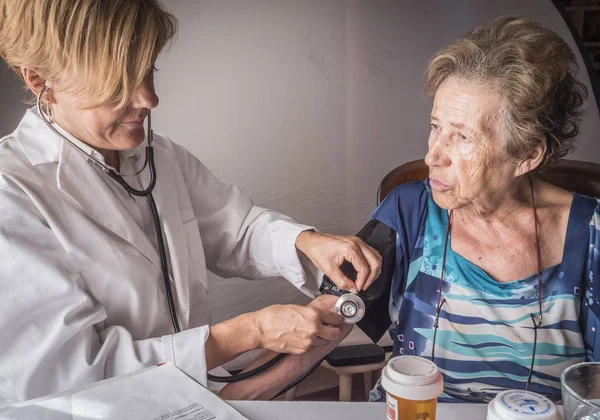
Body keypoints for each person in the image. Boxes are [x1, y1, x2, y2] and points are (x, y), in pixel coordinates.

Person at [0, 0, 381, 405]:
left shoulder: (159, 157)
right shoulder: (13, 193)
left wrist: (306, 241)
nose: (149, 98)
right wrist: (250, 331)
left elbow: (237, 229)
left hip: (193, 396)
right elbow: (70, 374)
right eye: (117, 84)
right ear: (40, 80)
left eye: (148, 70)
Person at [361, 17, 599, 403]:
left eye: (463, 136)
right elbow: (328, 321)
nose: (432, 155)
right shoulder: (408, 209)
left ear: (525, 154)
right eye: (436, 125)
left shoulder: (592, 236)